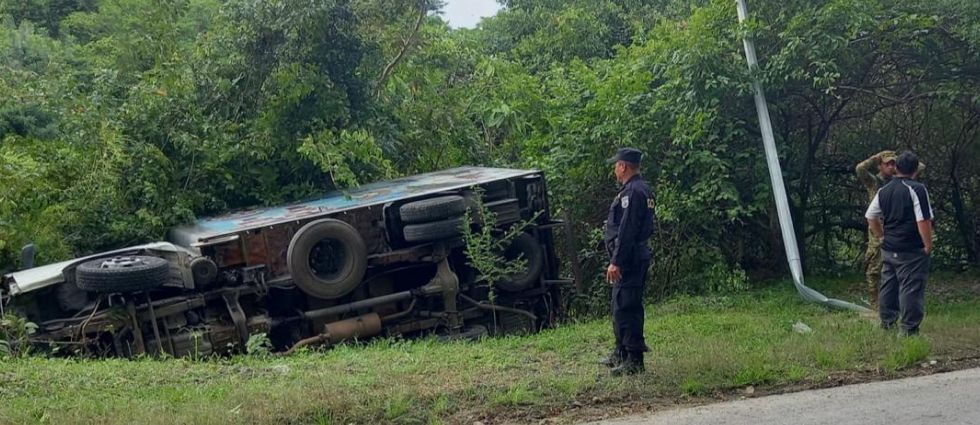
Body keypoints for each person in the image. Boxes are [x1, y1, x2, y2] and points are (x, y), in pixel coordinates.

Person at [600, 147, 657, 376]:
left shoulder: (634, 192)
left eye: (616, 164)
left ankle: (634, 360)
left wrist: (616, 260)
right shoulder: (638, 190)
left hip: (630, 258)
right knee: (619, 305)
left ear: (623, 166)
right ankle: (621, 351)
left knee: (628, 307)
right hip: (630, 256)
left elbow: (627, 230)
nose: (615, 168)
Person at [865, 151, 934, 336]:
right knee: (910, 288)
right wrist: (927, 244)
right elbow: (923, 220)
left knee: (889, 285)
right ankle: (909, 330)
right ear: (915, 170)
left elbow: (870, 217)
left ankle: (887, 323)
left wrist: (882, 236)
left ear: (896, 168)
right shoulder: (917, 189)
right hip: (910, 249)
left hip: (889, 248)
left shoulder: (884, 190)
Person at [855, 150, 898, 309]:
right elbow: (860, 169)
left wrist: (900, 162)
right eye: (888, 164)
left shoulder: (898, 181)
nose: (891, 167)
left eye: (894, 164)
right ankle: (875, 303)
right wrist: (875, 157)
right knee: (874, 266)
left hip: (894, 226)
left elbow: (919, 167)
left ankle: (892, 301)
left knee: (895, 265)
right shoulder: (874, 182)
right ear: (880, 166)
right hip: (877, 227)